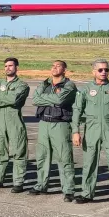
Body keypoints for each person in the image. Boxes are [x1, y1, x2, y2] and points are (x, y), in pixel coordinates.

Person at [71, 58, 109, 209]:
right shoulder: (85, 90)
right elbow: (77, 110)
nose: (104, 72)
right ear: (93, 72)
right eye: (100, 70)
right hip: (91, 129)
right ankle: (87, 193)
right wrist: (75, 131)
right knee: (89, 162)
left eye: (106, 70)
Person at [31, 60, 78, 199]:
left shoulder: (69, 85)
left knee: (64, 157)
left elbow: (59, 100)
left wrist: (45, 98)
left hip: (60, 125)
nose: (54, 67)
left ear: (64, 70)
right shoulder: (45, 83)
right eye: (53, 65)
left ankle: (68, 189)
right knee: (42, 156)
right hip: (44, 123)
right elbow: (34, 99)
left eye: (58, 66)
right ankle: (41, 184)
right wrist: (52, 98)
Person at [0, 57, 30, 191]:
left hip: (14, 122)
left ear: (16, 67)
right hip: (0, 122)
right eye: (5, 66)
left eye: (10, 66)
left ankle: (18, 182)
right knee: (0, 152)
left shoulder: (22, 85)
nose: (8, 68)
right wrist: (5, 98)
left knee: (18, 152)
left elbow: (15, 99)